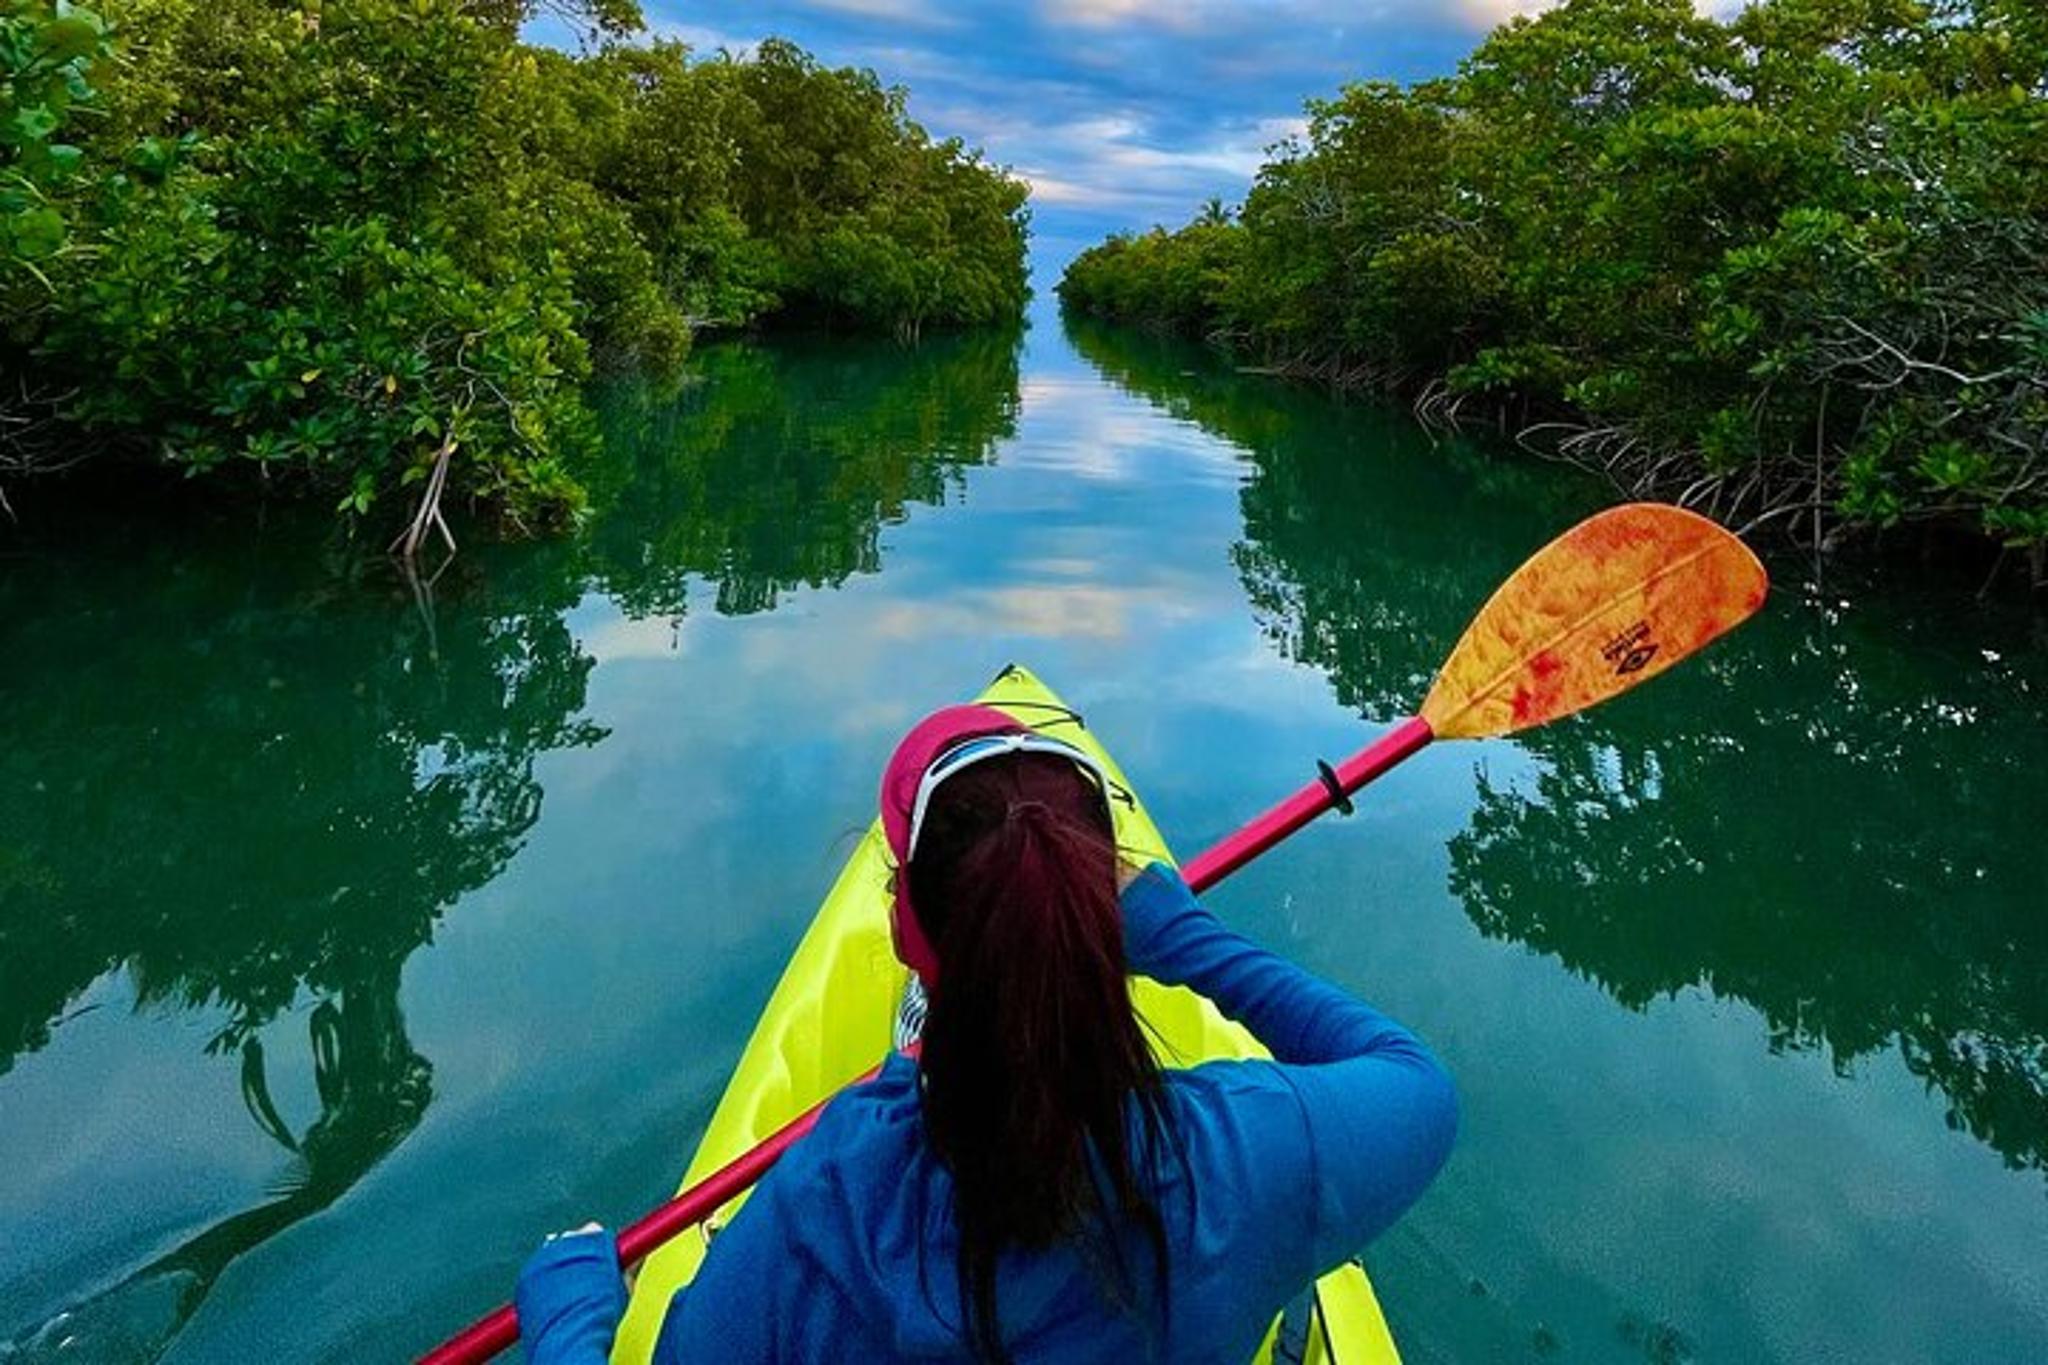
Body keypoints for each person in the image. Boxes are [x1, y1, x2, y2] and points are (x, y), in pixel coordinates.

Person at [515, 705, 1457, 1363]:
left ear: (904, 927)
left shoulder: (816, 1214)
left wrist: (568, 1322)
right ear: (1103, 925)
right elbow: (1417, 1082)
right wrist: (1185, 936)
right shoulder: (1242, 1154)